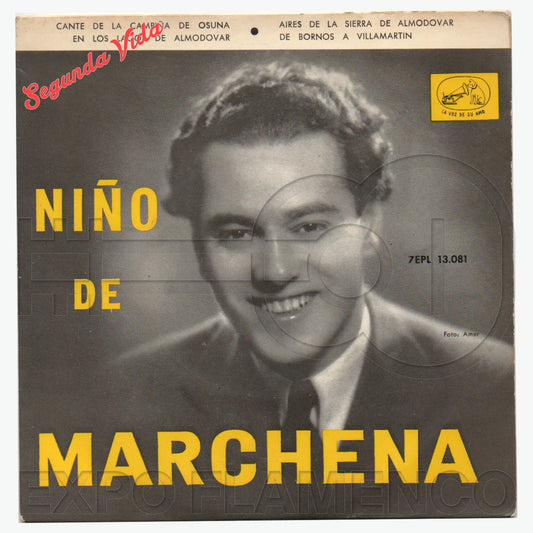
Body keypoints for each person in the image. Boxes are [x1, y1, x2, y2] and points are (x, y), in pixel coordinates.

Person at [105, 61, 515, 518]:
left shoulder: (499, 389)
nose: (275, 270)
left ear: (369, 222)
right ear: (199, 248)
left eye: (308, 226)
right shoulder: (127, 400)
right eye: (236, 234)